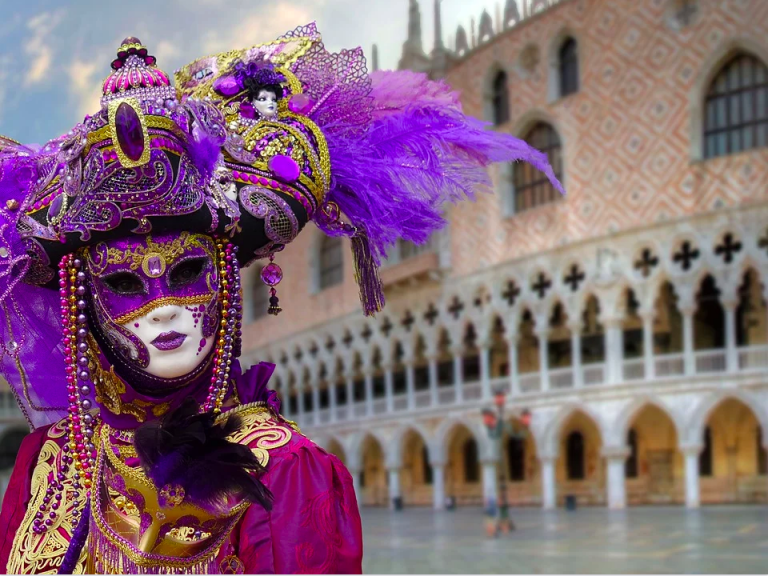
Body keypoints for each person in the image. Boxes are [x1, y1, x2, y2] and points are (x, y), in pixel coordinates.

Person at [0, 24, 562, 574]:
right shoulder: (47, 461)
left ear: (224, 278)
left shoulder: (286, 471)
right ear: (83, 301)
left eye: (188, 272)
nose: (164, 306)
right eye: (124, 284)